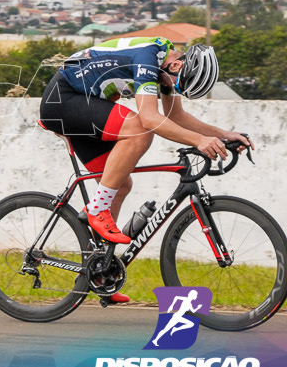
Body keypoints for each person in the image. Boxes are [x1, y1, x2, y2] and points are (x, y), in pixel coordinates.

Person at [40, 37, 251, 248]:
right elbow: (150, 118)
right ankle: (96, 210)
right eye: (177, 84)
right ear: (176, 65)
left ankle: (97, 264)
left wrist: (224, 135)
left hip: (83, 105)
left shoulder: (166, 67)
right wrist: (199, 141)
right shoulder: (147, 59)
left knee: (120, 185)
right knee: (140, 129)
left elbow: (176, 117)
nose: (171, 88)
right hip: (63, 100)